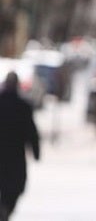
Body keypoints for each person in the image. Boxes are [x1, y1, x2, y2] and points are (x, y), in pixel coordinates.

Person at [0, 72, 40, 219]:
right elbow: (32, 131)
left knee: (12, 187)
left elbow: (31, 129)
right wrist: (36, 151)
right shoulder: (24, 105)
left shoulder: (23, 105)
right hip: (15, 155)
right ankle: (5, 209)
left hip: (11, 153)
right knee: (15, 186)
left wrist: (36, 150)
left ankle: (4, 209)